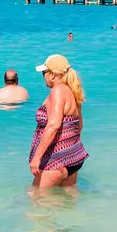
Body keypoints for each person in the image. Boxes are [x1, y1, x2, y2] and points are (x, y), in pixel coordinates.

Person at [26, 53, 89, 188]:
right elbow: (80, 125)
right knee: (68, 203)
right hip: (74, 157)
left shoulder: (57, 91)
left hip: (55, 161)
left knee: (36, 202)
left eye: (44, 73)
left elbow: (54, 125)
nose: (43, 77)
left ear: (53, 75)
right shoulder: (74, 91)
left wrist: (37, 158)